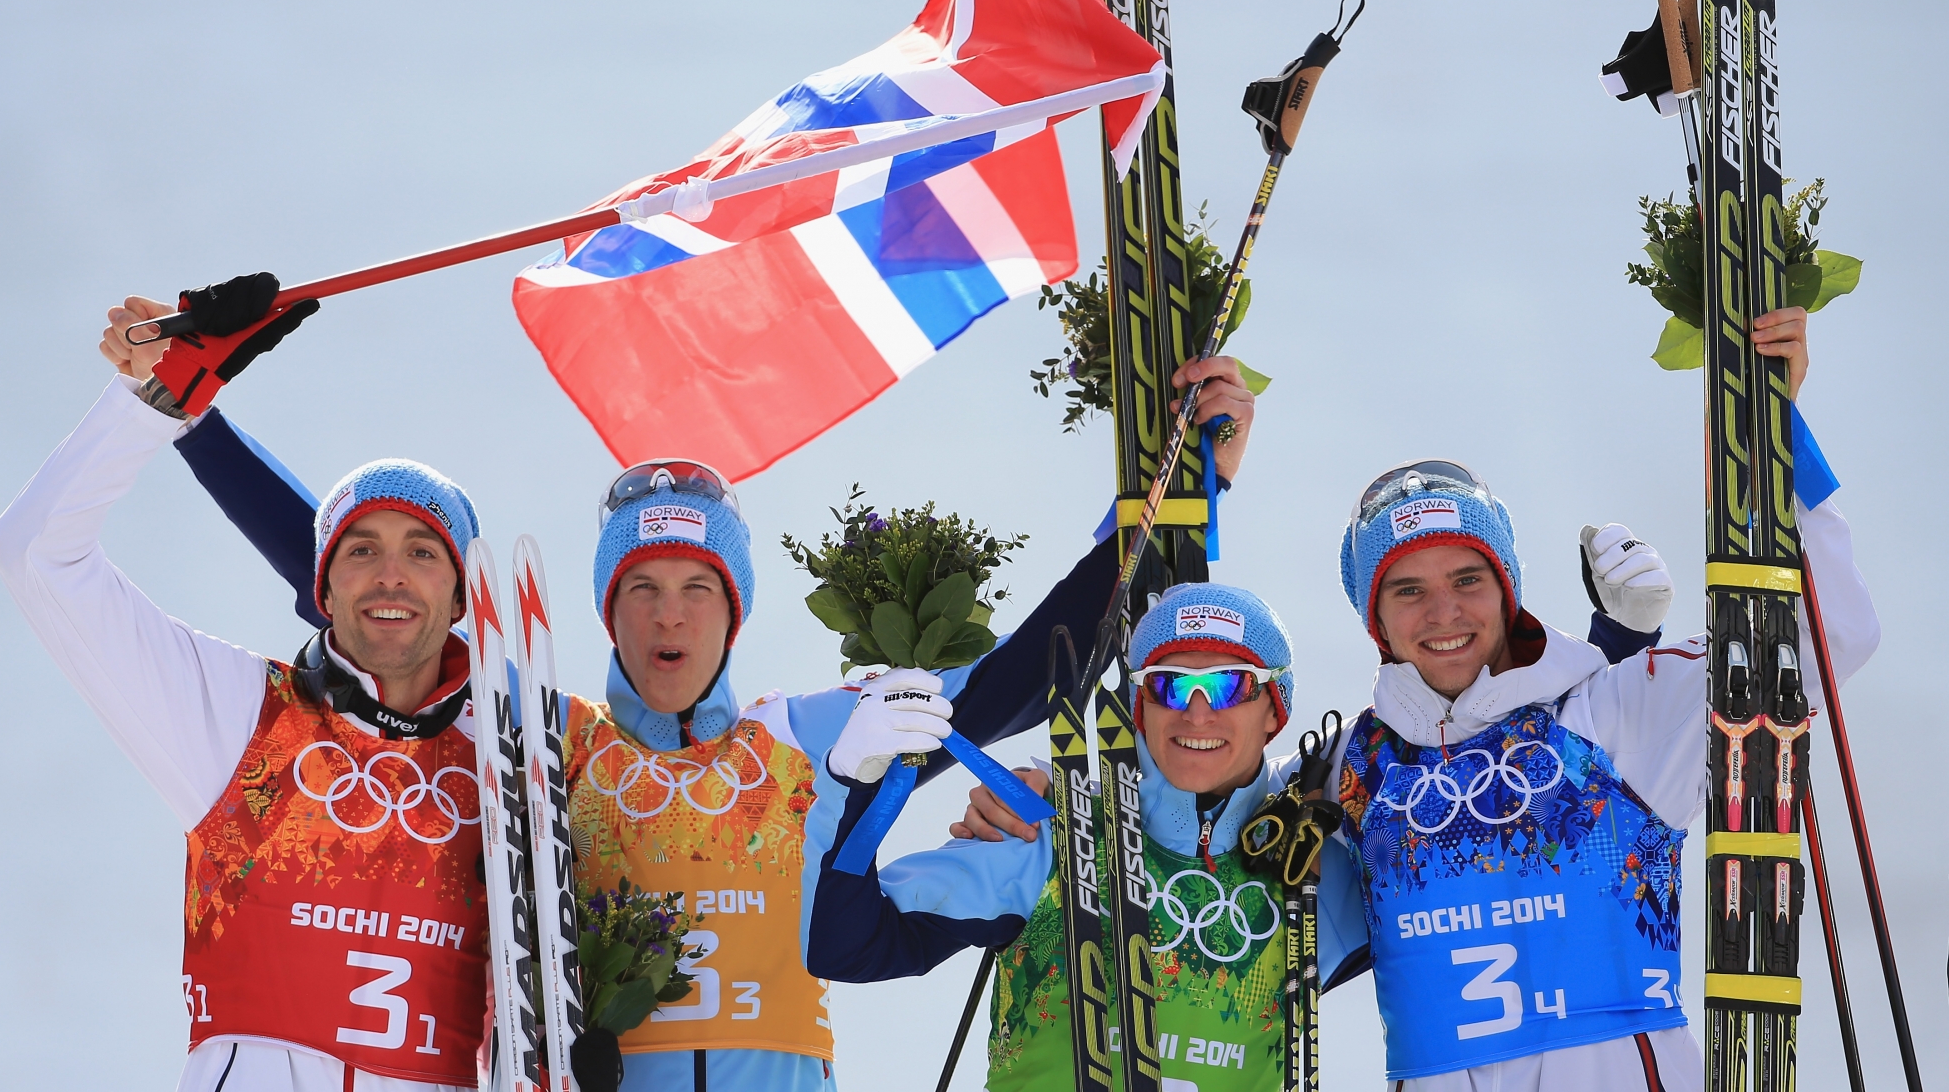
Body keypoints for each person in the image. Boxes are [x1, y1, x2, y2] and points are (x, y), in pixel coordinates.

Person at [138, 275, 1263, 1091]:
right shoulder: (551, 742)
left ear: (735, 612)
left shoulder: (815, 734)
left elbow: (1030, 674)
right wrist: (196, 422)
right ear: (603, 611)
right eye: (639, 589)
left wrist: (1182, 497)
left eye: (696, 587)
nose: (668, 614)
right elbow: (377, 607)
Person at [1304, 306, 1880, 1090]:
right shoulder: (1348, 770)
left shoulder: (1614, 716)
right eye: (1409, 589)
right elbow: (1197, 841)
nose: (1444, 612)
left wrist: (1776, 440)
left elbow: (1829, 636)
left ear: (1508, 590)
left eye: (1469, 579)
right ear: (1375, 618)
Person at [0, 277, 494, 1092]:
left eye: (424, 553)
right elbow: (36, 554)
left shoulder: (515, 759)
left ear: (466, 594)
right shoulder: (239, 721)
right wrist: (166, 400)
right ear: (320, 587)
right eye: (359, 551)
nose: (391, 573)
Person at [805, 583, 1304, 1090]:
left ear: (1273, 708)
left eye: (1232, 684)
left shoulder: (1307, 861)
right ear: (1139, 706)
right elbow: (847, 947)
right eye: (1168, 684)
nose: (1197, 713)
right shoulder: (1047, 837)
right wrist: (863, 785)